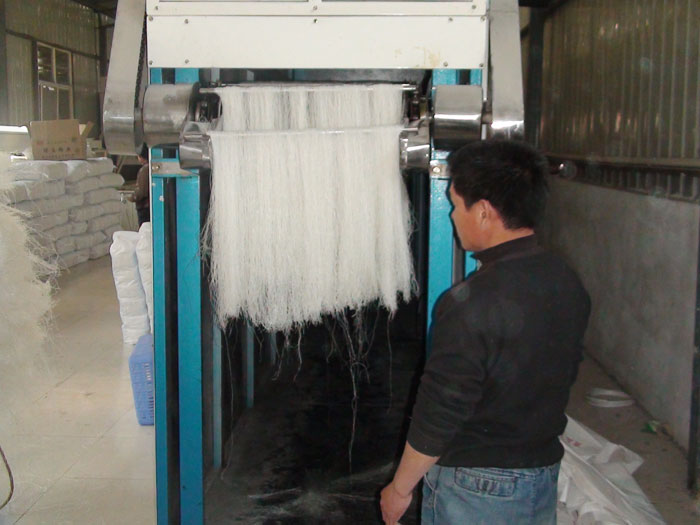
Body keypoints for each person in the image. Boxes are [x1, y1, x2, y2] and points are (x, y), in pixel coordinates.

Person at [380, 139, 591, 525]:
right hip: (539, 473)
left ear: (482, 212)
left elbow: (439, 412)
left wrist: (400, 488)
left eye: (455, 205)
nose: (451, 216)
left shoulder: (470, 303)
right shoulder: (566, 281)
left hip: (478, 488)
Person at [128, 143, 150, 227]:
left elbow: (141, 191)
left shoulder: (144, 170)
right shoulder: (151, 167)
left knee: (145, 229)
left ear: (141, 157)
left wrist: (132, 197)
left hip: (144, 207)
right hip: (149, 207)